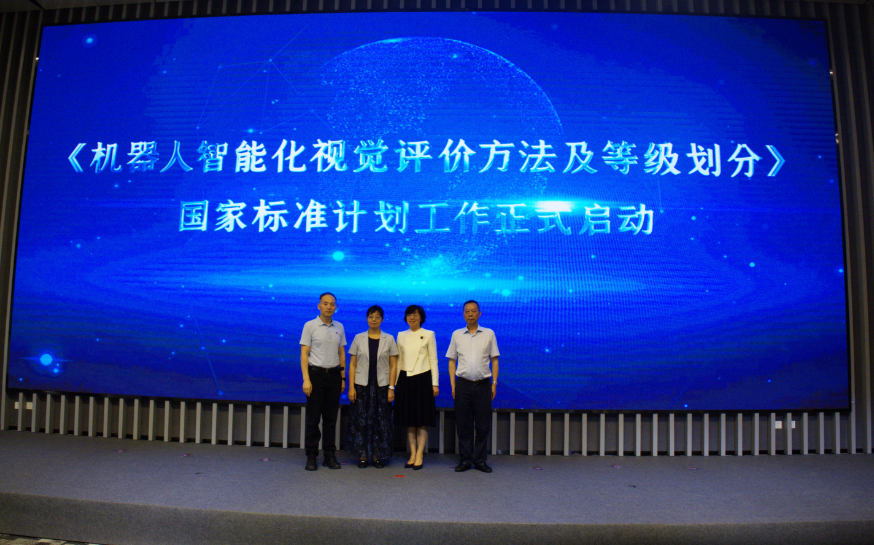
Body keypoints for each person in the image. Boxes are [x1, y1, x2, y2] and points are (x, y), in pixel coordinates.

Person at [446, 300, 499, 473]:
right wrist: (453, 385)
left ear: (479, 313)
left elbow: (494, 360)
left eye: (473, 311)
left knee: (482, 426)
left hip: (483, 386)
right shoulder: (457, 334)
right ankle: (465, 460)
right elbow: (452, 361)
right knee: (463, 425)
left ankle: (480, 461)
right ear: (463, 314)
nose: (470, 314)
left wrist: (494, 383)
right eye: (467, 311)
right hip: (463, 385)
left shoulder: (489, 333)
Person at [346, 305, 398, 468]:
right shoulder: (358, 338)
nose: (373, 319)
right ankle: (362, 455)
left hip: (382, 386)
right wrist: (351, 387)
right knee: (361, 420)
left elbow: (393, 365)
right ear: (366, 318)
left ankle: (377, 456)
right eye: (371, 316)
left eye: (377, 317)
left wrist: (391, 388)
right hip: (361, 386)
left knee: (380, 421)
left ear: (382, 319)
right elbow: (352, 364)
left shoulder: (389, 338)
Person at [300, 292, 346, 471]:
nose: (328, 307)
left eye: (332, 304)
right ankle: (311, 456)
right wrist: (306, 379)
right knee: (313, 419)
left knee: (330, 419)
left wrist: (343, 378)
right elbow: (304, 354)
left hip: (334, 376)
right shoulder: (310, 325)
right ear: (319, 306)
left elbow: (341, 353)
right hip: (315, 376)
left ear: (336, 307)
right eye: (325, 303)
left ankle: (329, 456)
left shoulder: (339, 327)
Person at [394, 304, 439, 470]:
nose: (412, 318)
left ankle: (420, 454)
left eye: (415, 315)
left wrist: (435, 383)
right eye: (409, 315)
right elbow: (399, 360)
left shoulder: (429, 334)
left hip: (423, 379)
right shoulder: (401, 335)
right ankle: (412, 453)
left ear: (421, 317)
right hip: (405, 379)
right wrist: (394, 384)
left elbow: (433, 359)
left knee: (422, 419)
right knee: (409, 420)